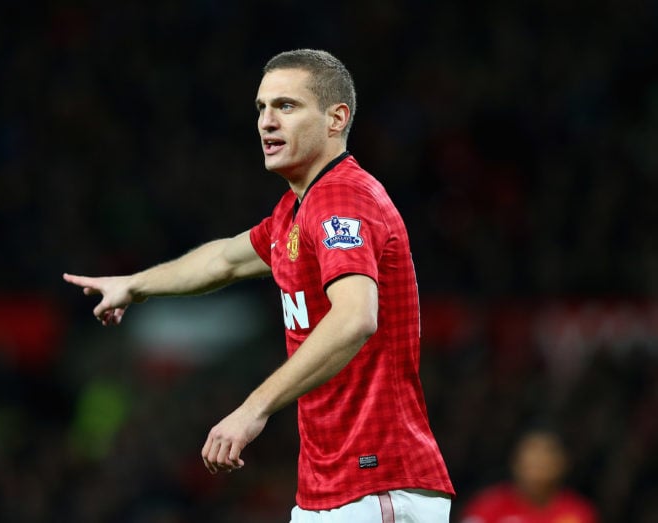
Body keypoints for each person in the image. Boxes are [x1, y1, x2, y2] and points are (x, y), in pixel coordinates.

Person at [63, 49, 454, 522]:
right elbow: (225, 260)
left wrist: (253, 409)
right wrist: (135, 285)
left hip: (376, 483)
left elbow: (355, 316)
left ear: (336, 119)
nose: (267, 122)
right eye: (262, 108)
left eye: (286, 106)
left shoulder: (341, 196)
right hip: (333, 489)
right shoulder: (296, 210)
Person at [459, 427, 599, 523]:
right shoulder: (487, 506)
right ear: (515, 461)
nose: (537, 462)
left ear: (563, 463)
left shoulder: (577, 513)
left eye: (546, 454)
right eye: (531, 454)